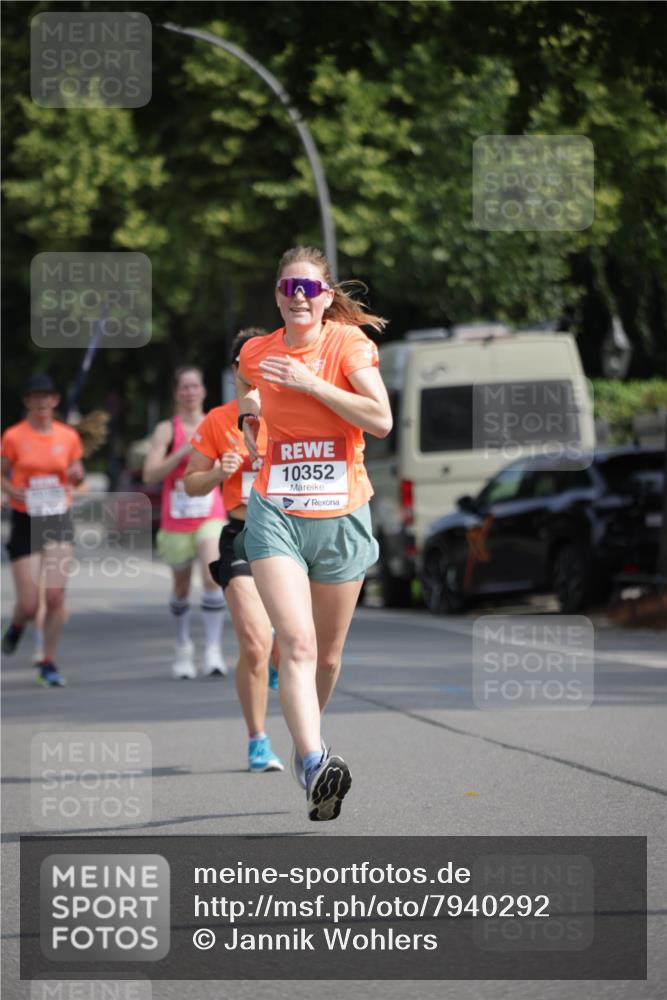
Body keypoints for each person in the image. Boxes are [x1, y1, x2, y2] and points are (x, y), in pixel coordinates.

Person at [236, 246, 392, 820]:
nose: (297, 297)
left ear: (326, 297)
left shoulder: (348, 345)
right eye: (287, 288)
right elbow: (247, 388)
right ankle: (313, 761)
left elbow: (379, 420)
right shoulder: (256, 351)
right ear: (277, 295)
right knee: (295, 644)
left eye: (309, 288)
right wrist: (247, 416)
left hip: (343, 515)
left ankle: (312, 741)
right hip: (275, 512)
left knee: (326, 659)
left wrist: (309, 384)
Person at [183, 328, 284, 773]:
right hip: (242, 533)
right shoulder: (217, 421)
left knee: (289, 644)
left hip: (291, 534)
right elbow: (190, 482)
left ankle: (282, 663)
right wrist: (217, 472)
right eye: (249, 362)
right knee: (255, 645)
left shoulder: (295, 412)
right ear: (235, 370)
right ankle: (258, 740)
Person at [1, 373, 85, 687]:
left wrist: (77, 474)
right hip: (25, 519)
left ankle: (47, 661)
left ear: (55, 400)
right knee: (28, 604)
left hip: (57, 517)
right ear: (27, 401)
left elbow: (76, 473)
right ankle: (17, 626)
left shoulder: (68, 436)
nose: (41, 401)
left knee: (53, 597)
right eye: (35, 396)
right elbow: (2, 475)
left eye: (47, 395)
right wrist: (11, 491)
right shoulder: (13, 436)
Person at [143, 367, 227, 680]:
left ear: (204, 391)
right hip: (177, 518)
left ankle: (214, 651)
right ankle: (183, 648)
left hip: (210, 513)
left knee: (211, 574)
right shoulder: (167, 429)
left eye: (195, 386)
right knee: (180, 587)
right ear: (177, 393)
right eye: (184, 388)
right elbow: (150, 475)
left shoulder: (216, 422)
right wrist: (182, 451)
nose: (190, 392)